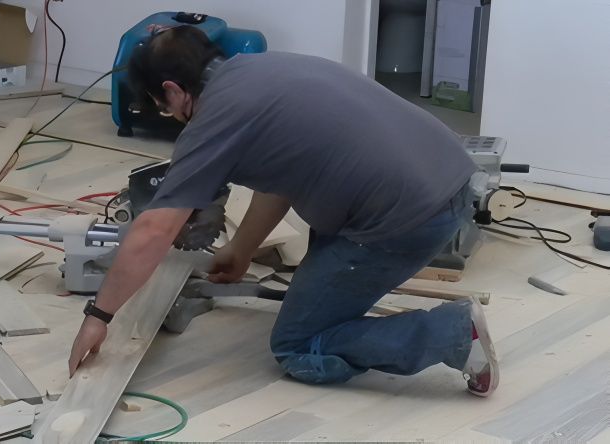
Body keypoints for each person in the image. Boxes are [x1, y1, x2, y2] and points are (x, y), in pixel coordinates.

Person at [67, 26, 496, 396]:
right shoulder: (263, 70)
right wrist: (242, 248)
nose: (169, 115)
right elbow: (284, 177)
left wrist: (99, 317)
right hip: (449, 176)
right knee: (316, 294)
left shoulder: (216, 116)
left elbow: (154, 230)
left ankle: (454, 335)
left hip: (407, 220)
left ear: (173, 91)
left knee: (298, 345)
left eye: (162, 106)